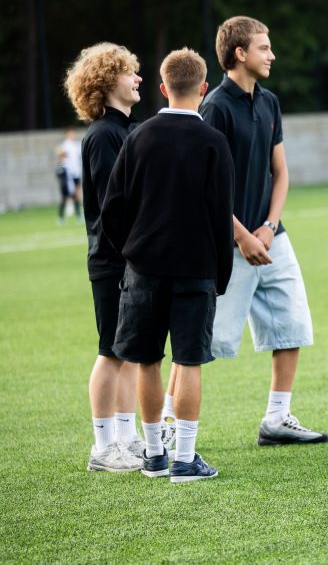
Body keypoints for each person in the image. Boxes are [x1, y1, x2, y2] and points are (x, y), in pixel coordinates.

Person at [101, 48, 235, 483]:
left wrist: (133, 252)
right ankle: (185, 458)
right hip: (196, 268)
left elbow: (112, 210)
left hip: (144, 269)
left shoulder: (137, 137)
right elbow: (221, 213)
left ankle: (155, 455)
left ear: (162, 87)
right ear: (203, 88)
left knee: (147, 361)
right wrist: (221, 273)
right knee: (190, 361)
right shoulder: (214, 141)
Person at [196, 15, 328, 447]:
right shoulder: (214, 107)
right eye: (264, 48)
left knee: (292, 325)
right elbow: (205, 184)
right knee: (205, 342)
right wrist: (242, 236)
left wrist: (269, 227)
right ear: (240, 53)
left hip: (274, 237)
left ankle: (277, 419)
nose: (272, 55)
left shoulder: (269, 101)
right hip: (229, 242)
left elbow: (281, 171)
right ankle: (162, 427)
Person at [64, 42, 145, 472]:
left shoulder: (130, 130)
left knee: (130, 351)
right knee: (110, 351)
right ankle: (102, 447)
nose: (138, 79)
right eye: (130, 72)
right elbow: (117, 207)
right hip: (114, 261)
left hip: (134, 260)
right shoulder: (102, 135)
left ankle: (128, 437)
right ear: (107, 79)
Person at [59, 128, 83, 222]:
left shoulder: (76, 145)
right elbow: (61, 156)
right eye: (71, 134)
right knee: (65, 194)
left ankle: (78, 214)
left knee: (77, 194)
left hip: (76, 172)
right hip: (67, 173)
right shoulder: (65, 145)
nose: (73, 135)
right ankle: (61, 216)